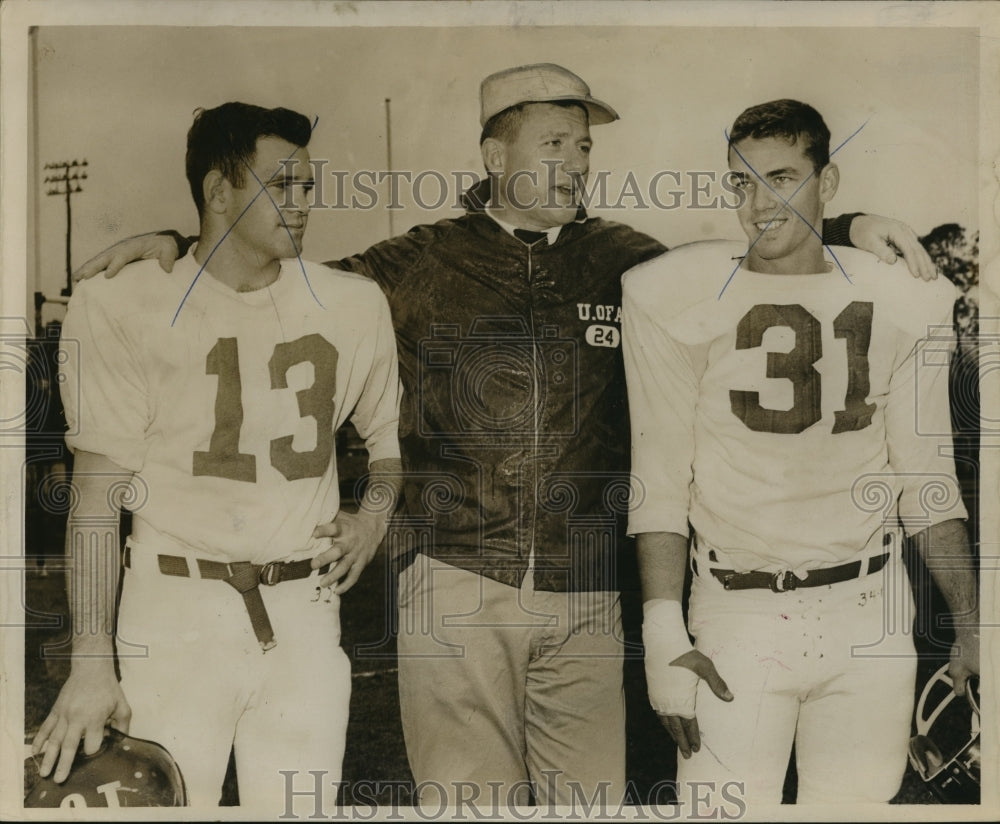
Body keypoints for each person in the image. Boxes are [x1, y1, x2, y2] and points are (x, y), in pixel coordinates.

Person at [70, 66, 939, 808]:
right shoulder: (416, 263)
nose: (575, 163)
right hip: (453, 578)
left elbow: (749, 257)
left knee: (589, 807)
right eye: (553, 144)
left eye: (585, 146)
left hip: (586, 589)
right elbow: (269, 284)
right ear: (495, 157)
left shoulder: (625, 258)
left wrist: (840, 224)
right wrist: (182, 240)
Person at [30, 102, 403, 813]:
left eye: (309, 186)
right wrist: (90, 659)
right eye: (281, 186)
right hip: (173, 610)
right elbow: (96, 499)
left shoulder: (354, 303)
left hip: (305, 610)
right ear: (218, 190)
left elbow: (387, 450)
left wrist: (372, 521)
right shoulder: (124, 302)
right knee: (169, 805)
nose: (302, 205)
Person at [622, 99, 978, 807]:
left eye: (781, 177)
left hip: (870, 610)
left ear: (830, 179)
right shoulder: (676, 290)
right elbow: (658, 478)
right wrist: (663, 629)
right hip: (738, 613)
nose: (757, 204)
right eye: (740, 182)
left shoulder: (902, 297)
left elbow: (926, 479)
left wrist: (972, 624)